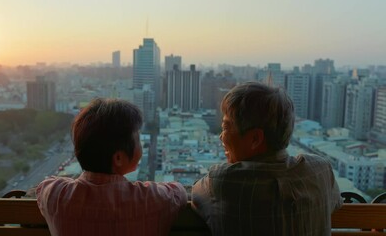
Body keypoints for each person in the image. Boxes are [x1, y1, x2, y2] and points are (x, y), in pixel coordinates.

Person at [191, 82, 342, 235]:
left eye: (226, 128)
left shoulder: (222, 181)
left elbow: (195, 195)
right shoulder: (320, 170)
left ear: (255, 139)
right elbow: (335, 203)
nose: (221, 137)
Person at [36, 98, 187, 236]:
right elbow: (180, 193)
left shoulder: (54, 195)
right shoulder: (154, 199)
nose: (141, 145)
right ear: (119, 158)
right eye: (138, 139)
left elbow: (42, 188)